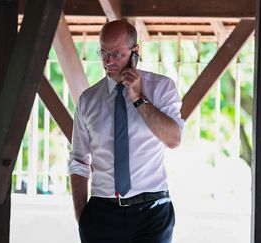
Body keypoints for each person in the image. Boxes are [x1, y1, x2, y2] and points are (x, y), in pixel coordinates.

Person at [68, 20, 184, 243]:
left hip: (152, 210)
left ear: (135, 52)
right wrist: (83, 217)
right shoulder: (88, 101)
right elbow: (78, 163)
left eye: (117, 54)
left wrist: (138, 98)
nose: (108, 61)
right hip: (101, 214)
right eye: (103, 53)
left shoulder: (161, 88)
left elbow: (173, 139)